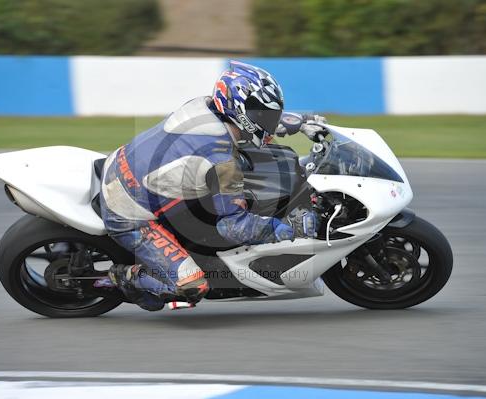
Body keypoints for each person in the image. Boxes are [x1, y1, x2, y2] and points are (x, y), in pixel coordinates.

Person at [98, 61, 320, 311]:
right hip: (128, 212)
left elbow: (250, 124)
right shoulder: (221, 160)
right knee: (192, 287)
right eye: (263, 114)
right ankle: (125, 277)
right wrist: (288, 228)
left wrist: (299, 122)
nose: (267, 120)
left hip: (122, 165)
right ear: (240, 108)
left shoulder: (204, 105)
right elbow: (233, 227)